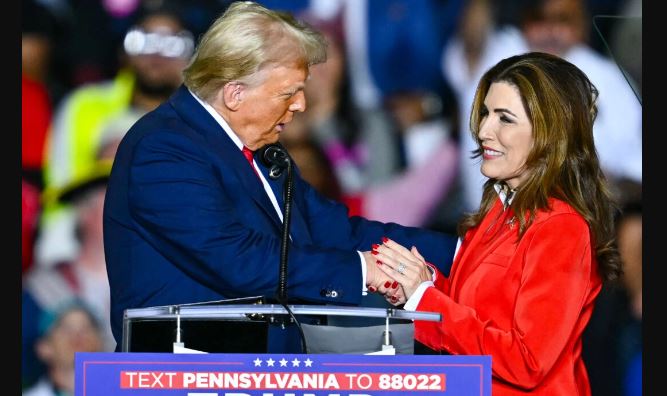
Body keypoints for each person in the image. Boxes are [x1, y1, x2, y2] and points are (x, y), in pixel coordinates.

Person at [103, 1, 457, 353]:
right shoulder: (164, 148)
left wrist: (462, 253)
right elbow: (236, 260)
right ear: (235, 93)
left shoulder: (258, 149)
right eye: (289, 92)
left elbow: (337, 232)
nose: (302, 104)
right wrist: (360, 271)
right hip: (177, 376)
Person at [371, 52, 622, 395]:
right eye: (487, 113)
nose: (484, 130)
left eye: (505, 118)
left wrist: (425, 299)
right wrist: (422, 286)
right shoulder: (499, 209)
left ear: (550, 133)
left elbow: (527, 361)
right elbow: (478, 318)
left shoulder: (562, 226)